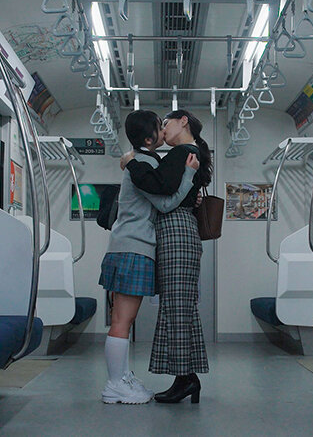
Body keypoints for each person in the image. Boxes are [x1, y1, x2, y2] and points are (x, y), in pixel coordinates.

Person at [100, 110, 200, 405]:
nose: (164, 130)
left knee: (122, 319)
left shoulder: (142, 160)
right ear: (148, 139)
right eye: (160, 126)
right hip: (134, 248)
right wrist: (189, 177)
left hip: (127, 246)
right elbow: (166, 204)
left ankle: (121, 377)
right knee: (123, 320)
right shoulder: (144, 162)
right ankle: (116, 384)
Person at [121, 109, 213, 404]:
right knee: (180, 307)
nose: (163, 130)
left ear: (183, 121)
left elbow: (158, 186)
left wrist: (131, 162)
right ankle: (186, 378)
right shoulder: (189, 153)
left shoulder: (182, 153)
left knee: (176, 308)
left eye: (166, 123)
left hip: (176, 232)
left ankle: (186, 380)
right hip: (181, 231)